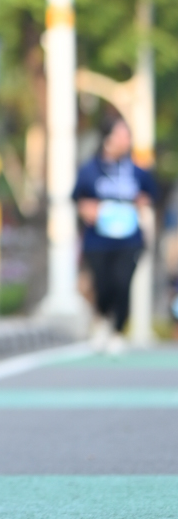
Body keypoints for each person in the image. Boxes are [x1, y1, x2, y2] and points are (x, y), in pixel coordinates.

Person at [74, 111, 156, 353]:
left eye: (127, 135)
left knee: (122, 283)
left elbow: (152, 194)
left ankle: (118, 331)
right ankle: (101, 320)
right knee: (104, 284)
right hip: (99, 239)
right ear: (107, 138)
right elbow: (77, 198)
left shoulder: (136, 171)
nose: (125, 140)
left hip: (129, 238)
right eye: (121, 135)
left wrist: (142, 201)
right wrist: (87, 208)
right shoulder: (90, 170)